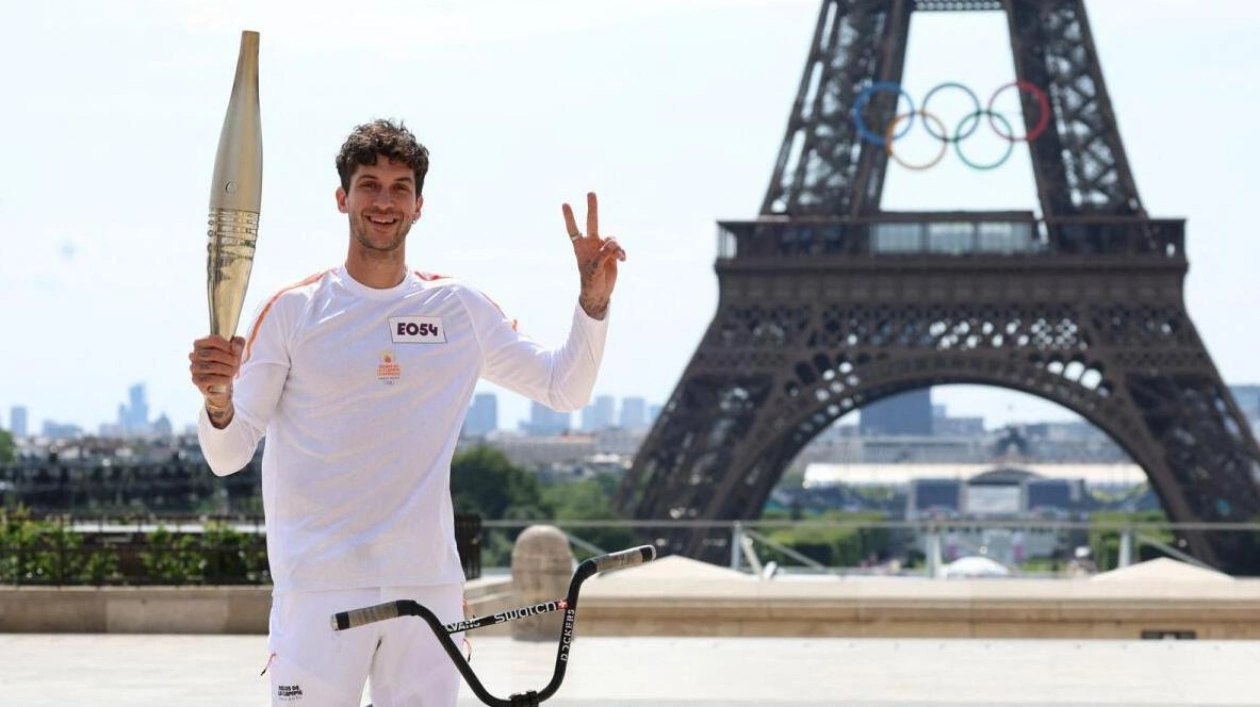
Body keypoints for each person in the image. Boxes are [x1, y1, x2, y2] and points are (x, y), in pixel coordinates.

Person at [188, 118, 626, 707]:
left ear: (420, 205)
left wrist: (592, 302)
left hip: (428, 590)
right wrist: (217, 399)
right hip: (319, 593)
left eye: (400, 187)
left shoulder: (458, 308)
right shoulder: (292, 312)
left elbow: (563, 389)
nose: (384, 201)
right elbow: (227, 453)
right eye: (369, 185)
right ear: (343, 197)